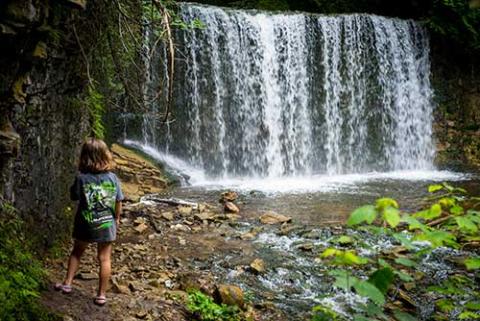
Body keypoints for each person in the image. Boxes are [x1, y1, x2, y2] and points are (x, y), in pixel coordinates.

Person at [54, 137, 124, 306]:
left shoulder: (81, 178)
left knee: (77, 252)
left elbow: (74, 196)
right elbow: (118, 201)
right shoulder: (113, 178)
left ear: (84, 157)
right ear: (105, 155)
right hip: (107, 223)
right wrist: (117, 217)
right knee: (104, 258)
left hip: (86, 223)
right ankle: (101, 295)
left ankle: (68, 284)